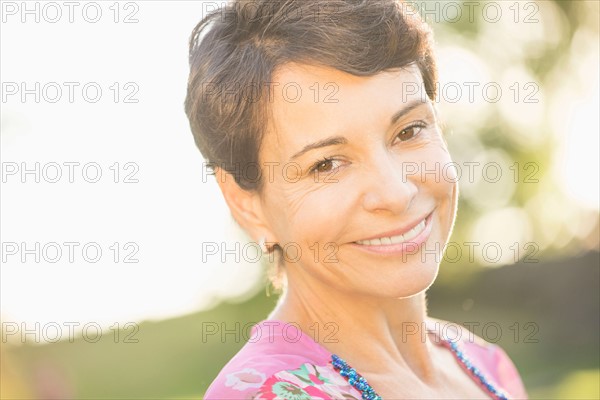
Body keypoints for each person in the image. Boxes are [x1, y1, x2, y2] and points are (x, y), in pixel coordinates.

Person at [184, 0, 528, 398]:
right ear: (247, 203)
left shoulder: (486, 365)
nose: (396, 193)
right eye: (327, 164)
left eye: (409, 131)